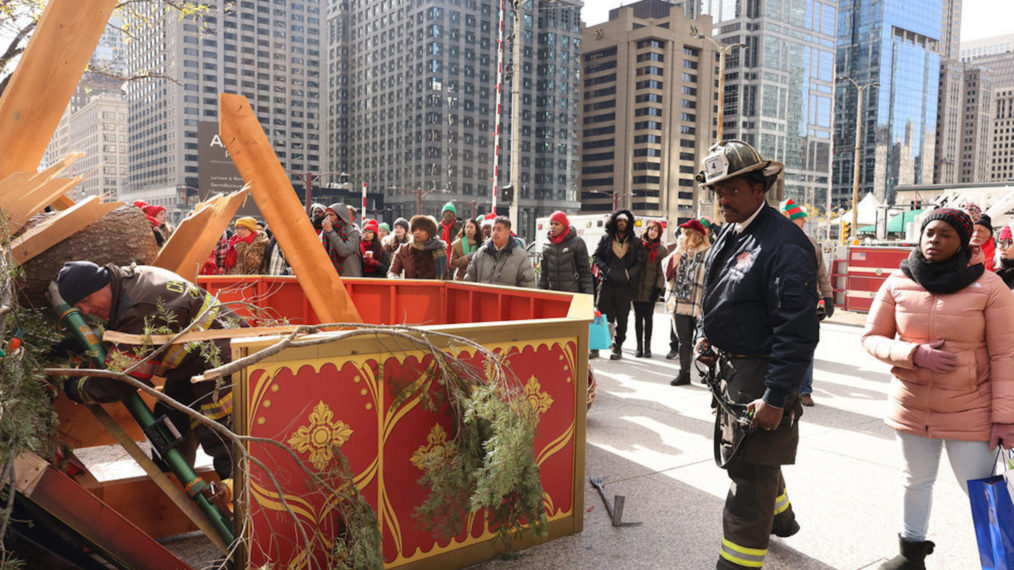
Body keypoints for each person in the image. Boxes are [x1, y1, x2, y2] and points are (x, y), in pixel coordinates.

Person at [861, 207, 1014, 569]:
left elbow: (1007, 355)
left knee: (983, 491)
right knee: (914, 482)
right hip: (912, 408)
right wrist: (913, 354)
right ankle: (909, 556)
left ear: (963, 240)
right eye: (929, 232)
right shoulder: (897, 282)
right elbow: (872, 338)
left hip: (971, 409)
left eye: (945, 234)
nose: (934, 240)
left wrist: (1005, 418)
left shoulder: (990, 285)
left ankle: (1003, 560)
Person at [693, 139, 819, 569]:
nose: (722, 199)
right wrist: (706, 338)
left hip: (762, 377)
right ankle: (781, 518)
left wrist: (777, 396)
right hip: (733, 370)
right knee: (755, 459)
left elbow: (797, 332)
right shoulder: (731, 232)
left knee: (748, 481)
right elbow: (715, 295)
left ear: (758, 188)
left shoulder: (786, 246)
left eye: (731, 189)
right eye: (717, 190)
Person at [56, 261, 239, 478]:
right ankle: (175, 488)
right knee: (169, 424)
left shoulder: (138, 308)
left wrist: (75, 388)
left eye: (86, 300)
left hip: (221, 363)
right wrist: (95, 337)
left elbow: (121, 380)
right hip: (194, 363)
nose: (86, 310)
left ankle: (244, 500)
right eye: (79, 307)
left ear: (102, 284)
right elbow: (127, 329)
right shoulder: (131, 281)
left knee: (222, 437)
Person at [781, 199, 834, 407]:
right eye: (800, 220)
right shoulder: (776, 240)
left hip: (806, 302)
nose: (803, 224)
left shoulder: (811, 243)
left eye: (803, 221)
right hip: (779, 302)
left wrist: (827, 297)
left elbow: (822, 272)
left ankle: (804, 390)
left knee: (806, 347)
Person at [665, 218, 711, 386]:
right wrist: (680, 249)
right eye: (682, 233)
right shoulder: (680, 251)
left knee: (704, 341)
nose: (683, 236)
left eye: (687, 233)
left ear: (696, 235)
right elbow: (669, 272)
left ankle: (709, 375)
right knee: (684, 340)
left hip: (700, 304)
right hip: (681, 302)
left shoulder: (708, 252)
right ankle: (684, 373)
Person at [592, 209, 642, 360]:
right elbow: (596, 256)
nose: (621, 223)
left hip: (624, 287)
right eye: (619, 220)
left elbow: (640, 263)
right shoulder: (606, 239)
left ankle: (618, 347)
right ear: (614, 222)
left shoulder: (636, 242)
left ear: (629, 224)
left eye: (625, 221)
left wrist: (628, 274)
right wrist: (606, 270)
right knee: (600, 316)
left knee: (622, 318)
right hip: (607, 283)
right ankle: (595, 348)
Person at [464, 216, 536, 288]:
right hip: (483, 298)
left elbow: (528, 285)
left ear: (508, 232)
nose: (495, 233)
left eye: (499, 229)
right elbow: (469, 279)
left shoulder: (520, 256)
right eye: (493, 229)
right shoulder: (481, 252)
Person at [538, 210, 594, 295]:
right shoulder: (546, 245)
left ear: (564, 226)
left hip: (573, 295)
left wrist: (588, 296)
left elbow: (585, 273)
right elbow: (543, 275)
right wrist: (540, 293)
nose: (553, 227)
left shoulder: (578, 243)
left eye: (557, 224)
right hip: (553, 295)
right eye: (551, 224)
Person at [632, 220, 665, 358]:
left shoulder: (661, 250)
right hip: (636, 290)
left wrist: (658, 289)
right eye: (650, 229)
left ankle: (647, 347)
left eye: (655, 230)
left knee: (649, 319)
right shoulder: (638, 246)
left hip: (651, 290)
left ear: (659, 233)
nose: (652, 232)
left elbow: (661, 272)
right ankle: (638, 347)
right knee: (637, 318)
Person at [388, 215, 448, 279]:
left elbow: (445, 275)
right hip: (411, 287)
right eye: (415, 229)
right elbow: (393, 271)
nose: (417, 232)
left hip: (434, 287)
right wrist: (394, 277)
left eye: (421, 229)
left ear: (429, 232)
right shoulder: (404, 249)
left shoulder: (439, 248)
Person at [321, 202, 363, 277]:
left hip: (350, 276)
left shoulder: (353, 232)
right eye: (326, 215)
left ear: (340, 216)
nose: (328, 218)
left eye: (331, 215)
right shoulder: (326, 232)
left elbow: (344, 251)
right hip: (333, 276)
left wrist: (331, 232)